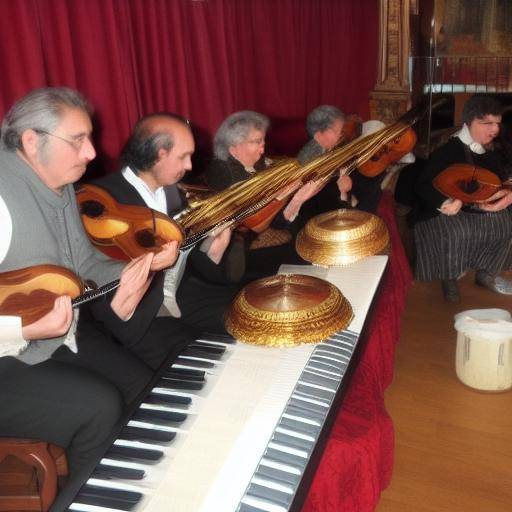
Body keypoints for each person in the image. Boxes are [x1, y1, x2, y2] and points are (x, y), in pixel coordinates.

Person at [0, 87, 186, 480]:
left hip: (50, 342)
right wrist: (26, 328)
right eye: (78, 140)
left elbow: (84, 264)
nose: (91, 153)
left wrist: (144, 266)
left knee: (146, 391)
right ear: (32, 142)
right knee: (100, 408)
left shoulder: (63, 187)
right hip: (9, 354)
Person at [92, 113, 240, 336]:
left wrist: (214, 249)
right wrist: (153, 266)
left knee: (253, 313)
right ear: (159, 155)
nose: (189, 165)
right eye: (183, 157)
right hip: (142, 317)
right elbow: (101, 286)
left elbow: (188, 264)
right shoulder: (101, 203)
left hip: (184, 296)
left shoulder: (174, 192)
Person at [414, 95, 512, 302]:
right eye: (487, 123)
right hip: (447, 212)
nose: (494, 130)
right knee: (455, 232)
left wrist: (507, 193)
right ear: (469, 122)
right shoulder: (447, 151)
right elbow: (423, 185)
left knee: (506, 224)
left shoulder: (494, 150)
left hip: (478, 209)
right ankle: (449, 276)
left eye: (497, 124)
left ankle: (487, 273)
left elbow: (502, 180)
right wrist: (447, 201)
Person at [205, 110, 324, 280]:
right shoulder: (223, 173)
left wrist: (296, 198)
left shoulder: (253, 163)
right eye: (257, 142)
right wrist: (293, 196)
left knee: (311, 229)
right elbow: (257, 223)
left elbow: (277, 220)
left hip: (261, 234)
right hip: (239, 251)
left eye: (263, 140)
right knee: (306, 250)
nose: (263, 149)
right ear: (234, 147)